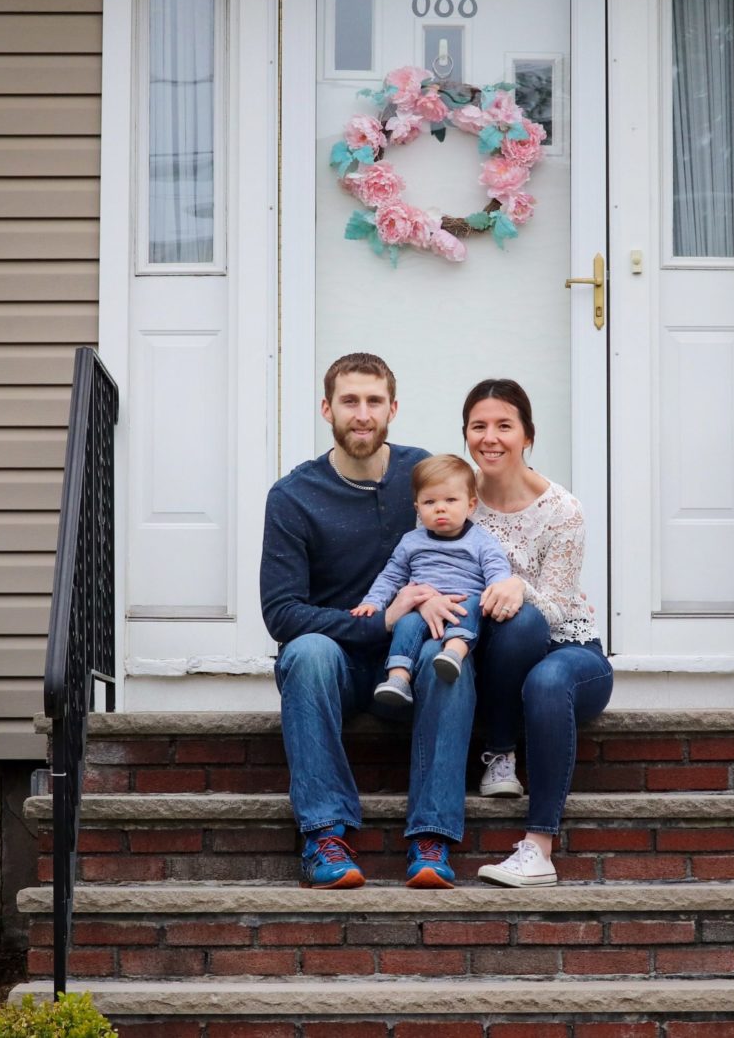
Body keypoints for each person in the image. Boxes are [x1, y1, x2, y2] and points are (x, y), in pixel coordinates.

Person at [260, 353, 475, 890]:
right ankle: (324, 837)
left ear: (393, 409)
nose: (362, 414)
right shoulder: (293, 497)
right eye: (350, 401)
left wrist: (430, 600)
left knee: (445, 658)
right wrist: (378, 621)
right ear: (326, 408)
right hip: (337, 668)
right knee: (306, 652)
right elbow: (281, 612)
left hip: (413, 659)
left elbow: (468, 551)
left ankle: (432, 842)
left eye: (374, 401)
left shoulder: (422, 475)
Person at [439, 378, 613, 887]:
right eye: (478, 426)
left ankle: (538, 848)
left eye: (504, 426)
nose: (490, 438)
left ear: (527, 435)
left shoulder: (562, 511)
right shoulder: (457, 500)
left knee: (542, 662)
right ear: (466, 434)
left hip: (570, 653)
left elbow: (558, 607)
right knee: (513, 627)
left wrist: (518, 587)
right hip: (493, 658)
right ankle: (500, 754)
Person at [351, 454, 512, 707]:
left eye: (450, 500)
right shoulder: (412, 541)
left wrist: (500, 591)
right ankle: (398, 679)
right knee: (406, 625)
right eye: (429, 502)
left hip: (464, 600)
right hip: (421, 605)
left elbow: (496, 570)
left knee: (470, 607)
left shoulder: (482, 540)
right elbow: (392, 575)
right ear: (417, 508)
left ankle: (453, 654)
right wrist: (373, 602)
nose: (440, 508)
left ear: (470, 505)